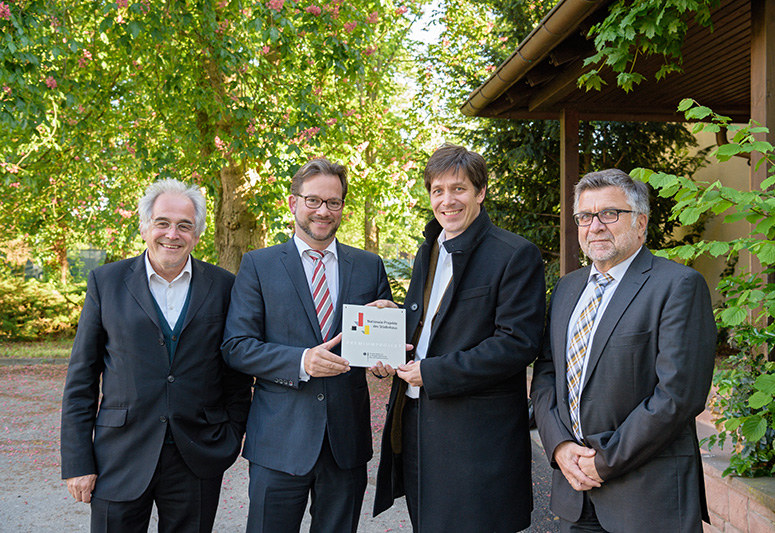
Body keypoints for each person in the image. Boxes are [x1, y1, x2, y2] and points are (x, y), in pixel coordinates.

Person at [60, 178, 252, 533]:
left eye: (184, 226)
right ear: (145, 227)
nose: (172, 234)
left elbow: (236, 373)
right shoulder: (106, 282)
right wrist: (77, 462)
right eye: (162, 223)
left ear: (197, 234)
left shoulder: (225, 286)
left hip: (196, 455)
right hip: (119, 454)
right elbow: (82, 378)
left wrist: (229, 437)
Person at [372, 143, 546, 532]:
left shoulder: (515, 254)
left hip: (475, 440)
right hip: (416, 423)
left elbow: (517, 344)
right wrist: (392, 324)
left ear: (480, 193)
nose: (447, 200)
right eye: (438, 190)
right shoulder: (429, 250)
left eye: (458, 189)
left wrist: (432, 373)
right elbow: (438, 325)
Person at [531, 169, 717, 532]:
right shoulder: (567, 288)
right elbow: (547, 373)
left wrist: (603, 461)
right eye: (585, 216)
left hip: (647, 499)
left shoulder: (678, 285)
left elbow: (678, 395)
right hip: (575, 494)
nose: (595, 226)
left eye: (609, 214)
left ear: (641, 222)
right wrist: (559, 447)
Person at [222, 158, 392, 533]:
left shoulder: (369, 266)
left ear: (342, 206)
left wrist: (385, 358)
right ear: (293, 202)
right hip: (279, 442)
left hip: (345, 443)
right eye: (313, 200)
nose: (323, 211)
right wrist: (301, 361)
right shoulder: (258, 265)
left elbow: (379, 347)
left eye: (333, 202)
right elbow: (237, 346)